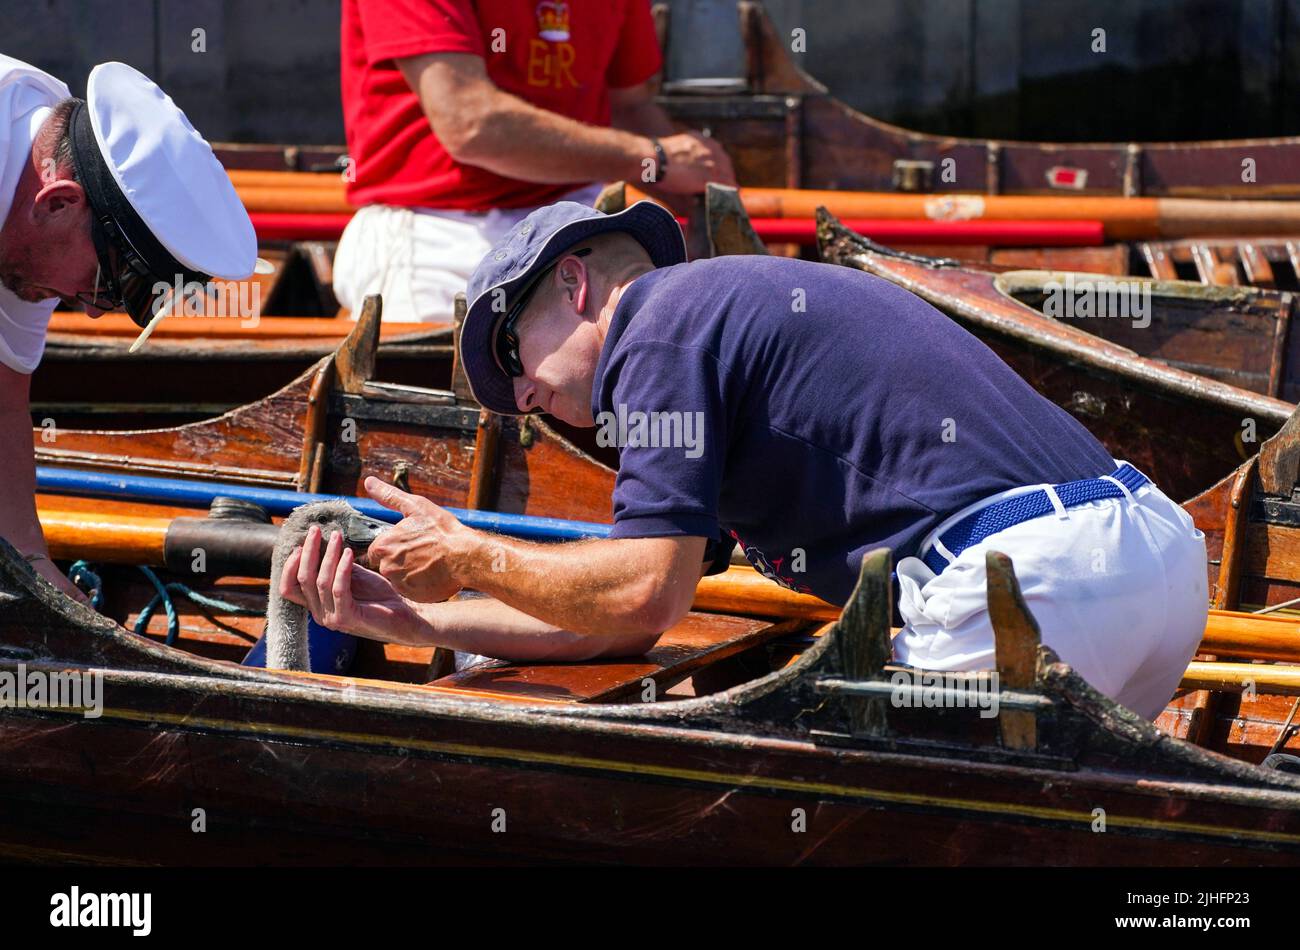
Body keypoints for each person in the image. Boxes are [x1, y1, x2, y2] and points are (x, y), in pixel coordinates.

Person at [284, 200, 1209, 721]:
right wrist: (420, 619)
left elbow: (642, 592)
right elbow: (627, 623)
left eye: (514, 362)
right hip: (1153, 563)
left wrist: (474, 555)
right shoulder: (717, 316)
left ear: (574, 285)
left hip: (1029, 585)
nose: (521, 400)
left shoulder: (654, 329)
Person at [0, 54, 260, 603]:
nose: (92, 314)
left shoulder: (37, 221)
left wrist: (31, 570)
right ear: (60, 202)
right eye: (107, 287)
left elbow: (3, 404)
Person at [333, 0, 734, 324]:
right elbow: (470, 125)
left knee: (662, 355)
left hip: (581, 219)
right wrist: (655, 158)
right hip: (437, 231)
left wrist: (707, 199)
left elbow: (627, 107)